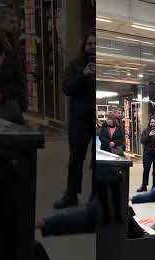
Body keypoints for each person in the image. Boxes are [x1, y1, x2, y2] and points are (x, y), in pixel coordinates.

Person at [54, 30, 96, 210]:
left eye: (95, 44)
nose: (92, 47)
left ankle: (96, 196)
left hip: (97, 121)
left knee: (97, 160)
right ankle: (71, 194)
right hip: (79, 119)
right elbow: (67, 88)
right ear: (84, 46)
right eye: (89, 44)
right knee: (76, 158)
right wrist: (83, 75)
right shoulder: (75, 65)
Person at [137, 117, 155, 192]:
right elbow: (142, 141)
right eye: (151, 122)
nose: (153, 124)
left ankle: (154, 185)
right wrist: (148, 135)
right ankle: (144, 185)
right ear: (149, 123)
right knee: (146, 169)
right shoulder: (145, 131)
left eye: (154, 122)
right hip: (147, 153)